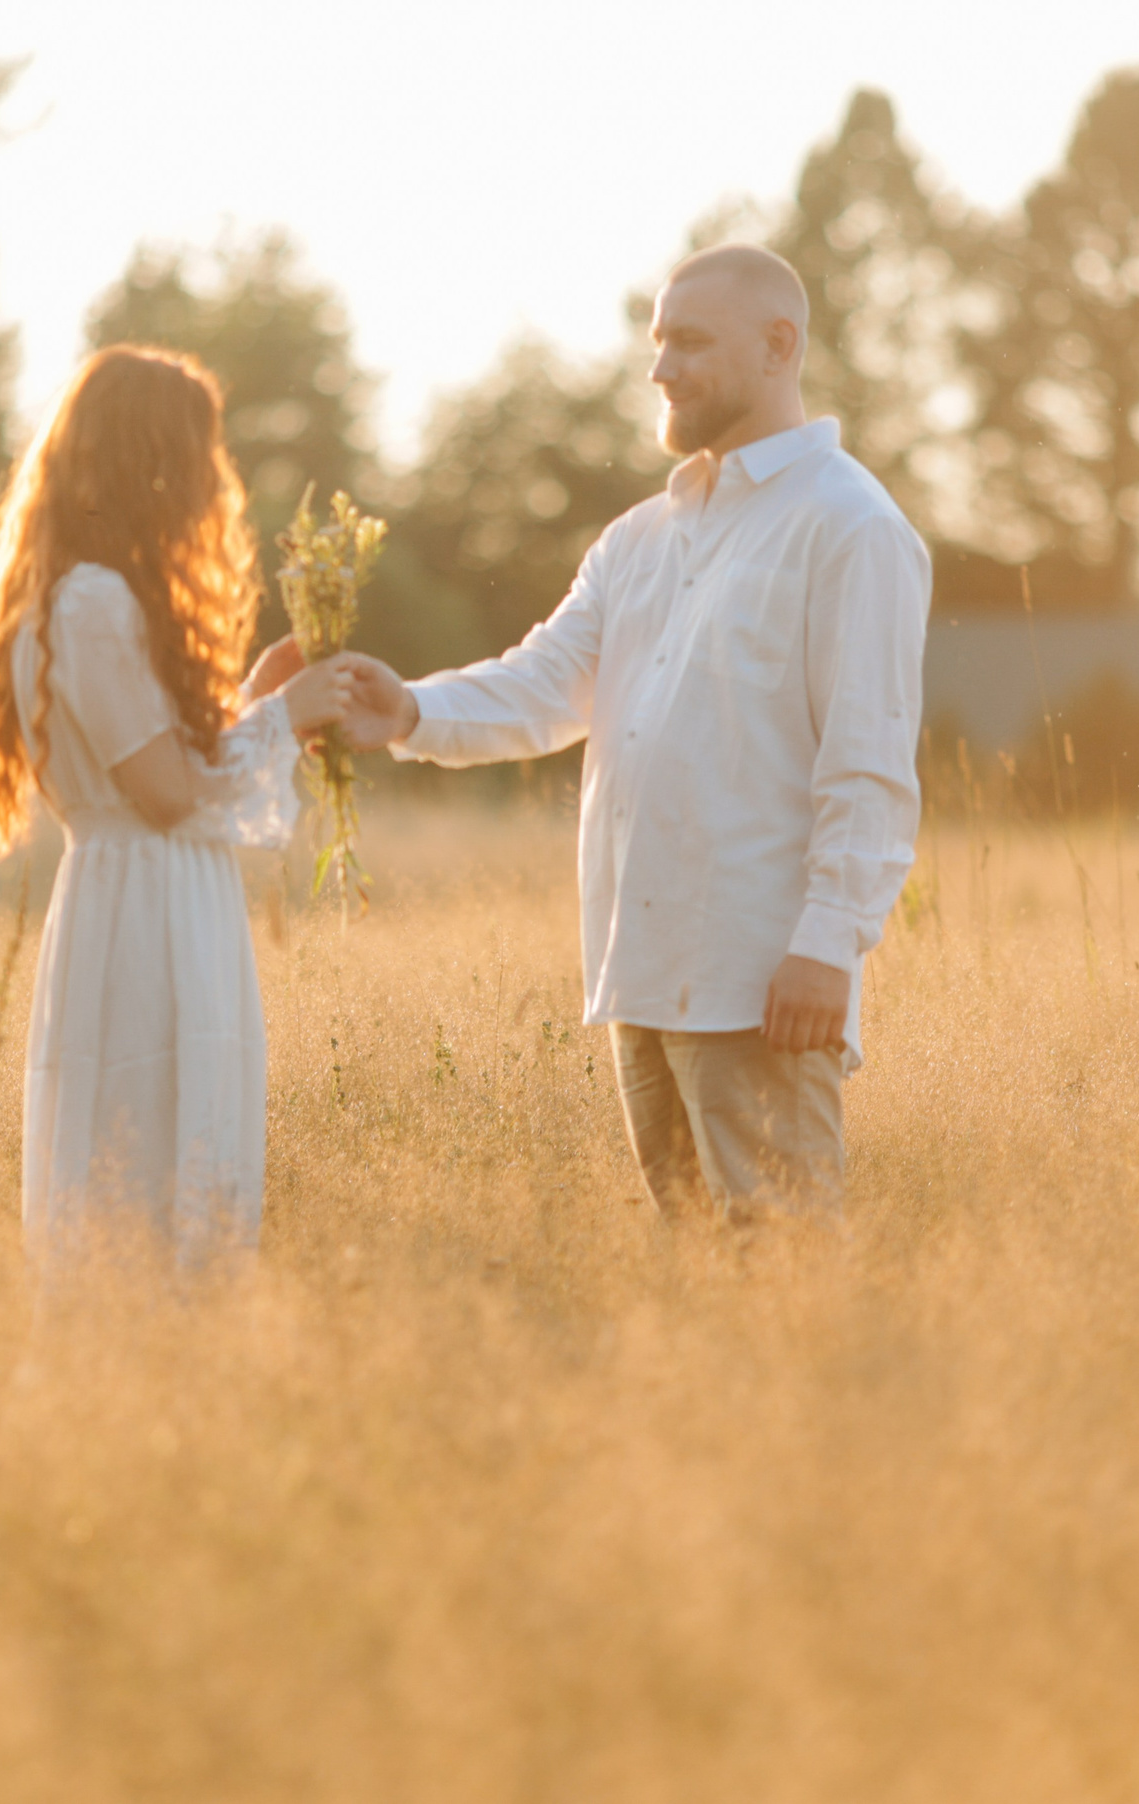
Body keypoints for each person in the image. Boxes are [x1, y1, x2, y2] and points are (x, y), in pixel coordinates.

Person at [339, 244, 931, 1223]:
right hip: (639, 975)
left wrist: (829, 943)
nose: (658, 369)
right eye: (656, 343)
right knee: (694, 1277)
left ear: (779, 345)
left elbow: (867, 764)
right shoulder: (636, 540)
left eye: (688, 343)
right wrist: (406, 709)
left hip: (763, 984)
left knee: (780, 1273)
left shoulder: (849, 526)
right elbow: (543, 683)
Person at [0, 345, 353, 1273]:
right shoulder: (91, 602)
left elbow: (168, 766)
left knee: (171, 1155)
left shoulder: (95, 599)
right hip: (145, 915)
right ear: (149, 459)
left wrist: (261, 702)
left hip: (157, 901)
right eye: (200, 452)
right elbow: (166, 797)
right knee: (143, 1162)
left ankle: (172, 1387)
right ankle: (141, 1385)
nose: (215, 478)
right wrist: (285, 719)